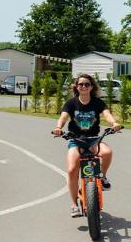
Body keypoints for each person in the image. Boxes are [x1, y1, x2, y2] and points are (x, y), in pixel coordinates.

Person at [52, 74, 122, 218]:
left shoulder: (98, 103)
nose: (84, 87)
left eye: (87, 84)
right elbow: (63, 117)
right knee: (72, 170)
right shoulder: (71, 103)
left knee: (107, 152)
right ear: (76, 87)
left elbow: (107, 115)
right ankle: (74, 204)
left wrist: (114, 123)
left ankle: (102, 177)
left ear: (92, 87)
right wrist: (58, 127)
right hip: (76, 140)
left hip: (93, 140)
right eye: (81, 84)